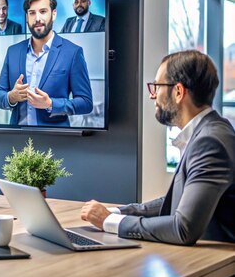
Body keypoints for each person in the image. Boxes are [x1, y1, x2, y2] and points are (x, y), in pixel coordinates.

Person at [81, 50, 235, 245]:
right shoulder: (211, 131)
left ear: (178, 92)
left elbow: (183, 228)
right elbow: (179, 201)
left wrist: (110, 222)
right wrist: (118, 212)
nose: (152, 96)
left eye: (156, 87)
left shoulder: (210, 142)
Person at [0, 0, 93, 126]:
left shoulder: (73, 52)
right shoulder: (13, 52)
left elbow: (86, 103)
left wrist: (51, 104)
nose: (37, 18)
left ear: (53, 14)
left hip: (55, 141)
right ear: (27, 17)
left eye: (43, 11)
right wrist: (11, 97)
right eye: (32, 13)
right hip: (16, 140)